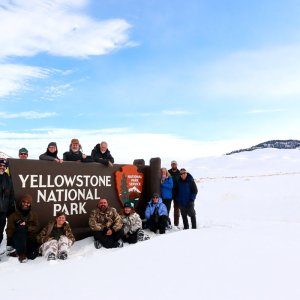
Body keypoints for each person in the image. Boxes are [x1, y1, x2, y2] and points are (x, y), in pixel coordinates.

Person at [6, 194, 39, 263]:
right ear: (20, 203)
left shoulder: (33, 215)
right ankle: (21, 254)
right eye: (23, 202)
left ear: (30, 204)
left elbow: (36, 227)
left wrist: (26, 226)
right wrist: (17, 225)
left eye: (28, 203)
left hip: (29, 239)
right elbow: (9, 231)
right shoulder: (13, 216)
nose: (25, 204)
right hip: (17, 239)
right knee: (20, 228)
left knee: (32, 256)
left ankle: (22, 251)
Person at [0, 158, 15, 251]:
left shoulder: (8, 179)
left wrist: (10, 209)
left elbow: (11, 195)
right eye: (0, 165)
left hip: (3, 210)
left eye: (4, 166)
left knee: (0, 230)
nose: (2, 167)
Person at [168, 160, 181, 227]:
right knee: (168, 208)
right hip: (169, 193)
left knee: (176, 209)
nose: (173, 165)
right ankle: (167, 223)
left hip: (177, 194)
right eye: (172, 164)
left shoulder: (179, 173)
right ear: (171, 165)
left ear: (176, 165)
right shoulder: (168, 172)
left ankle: (176, 224)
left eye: (174, 164)